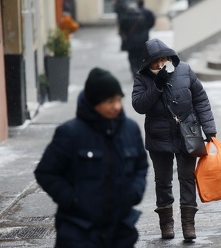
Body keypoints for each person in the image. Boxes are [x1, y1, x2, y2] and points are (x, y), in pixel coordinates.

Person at [34, 67, 149, 247]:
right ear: (94, 103)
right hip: (79, 231)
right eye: (110, 101)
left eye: (119, 100)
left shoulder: (130, 129)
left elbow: (141, 165)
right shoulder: (70, 133)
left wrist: (134, 191)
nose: (116, 106)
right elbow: (46, 172)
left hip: (120, 230)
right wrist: (72, 199)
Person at [131, 38, 217, 240]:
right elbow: (139, 106)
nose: (161, 64)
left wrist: (209, 129)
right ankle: (166, 225)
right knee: (163, 181)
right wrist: (157, 85)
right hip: (158, 137)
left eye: (163, 59)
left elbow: (200, 99)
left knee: (187, 178)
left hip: (187, 135)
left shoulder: (184, 70)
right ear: (148, 63)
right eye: (155, 61)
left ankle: (188, 225)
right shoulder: (142, 78)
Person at [117, 0, 155, 76]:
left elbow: (122, 28)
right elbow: (151, 22)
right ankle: (139, 71)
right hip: (142, 40)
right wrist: (146, 30)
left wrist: (125, 36)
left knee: (132, 57)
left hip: (131, 41)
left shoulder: (127, 15)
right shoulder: (146, 12)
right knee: (140, 57)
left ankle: (134, 71)